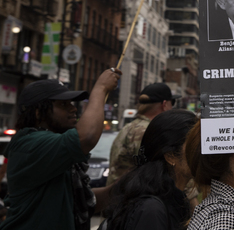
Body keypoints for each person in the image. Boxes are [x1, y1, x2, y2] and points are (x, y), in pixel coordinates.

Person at [0, 69, 121, 230]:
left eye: (71, 103)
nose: (73, 109)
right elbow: (87, 137)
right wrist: (100, 88)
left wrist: (129, 184)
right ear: (38, 113)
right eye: (63, 104)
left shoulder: (55, 151)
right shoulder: (29, 143)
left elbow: (82, 202)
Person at [99, 109, 197, 230]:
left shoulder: (176, 199)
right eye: (195, 146)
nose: (203, 153)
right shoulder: (152, 210)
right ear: (170, 156)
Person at [107, 82, 178, 186]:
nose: (172, 108)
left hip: (119, 195)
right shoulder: (149, 131)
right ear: (164, 104)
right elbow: (158, 172)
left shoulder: (129, 127)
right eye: (172, 103)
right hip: (133, 196)